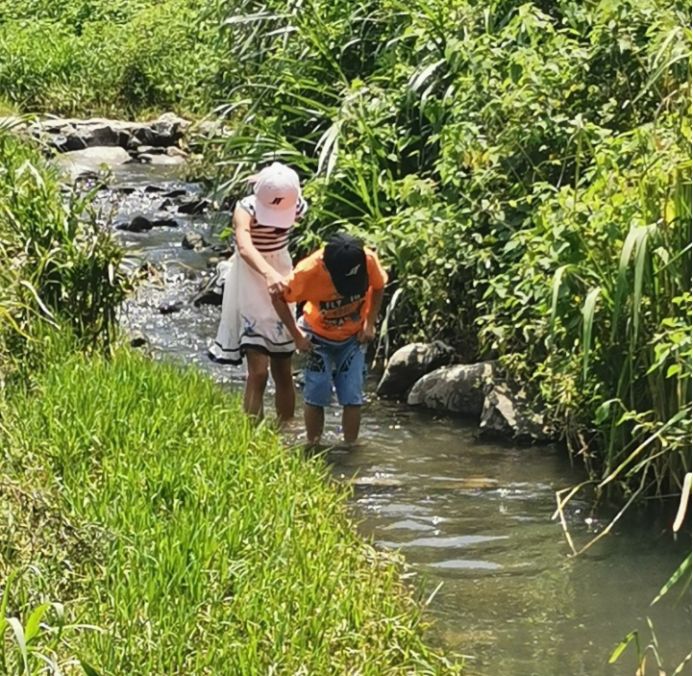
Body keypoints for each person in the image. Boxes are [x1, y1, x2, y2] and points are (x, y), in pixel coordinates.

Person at [208, 162, 307, 422]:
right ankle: (251, 431)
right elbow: (244, 247)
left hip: (282, 271)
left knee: (283, 369)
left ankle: (286, 431)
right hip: (249, 280)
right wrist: (267, 273)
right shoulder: (245, 208)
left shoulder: (296, 205)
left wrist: (276, 274)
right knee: (258, 371)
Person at [271, 233, 387, 445]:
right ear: (326, 268)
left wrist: (370, 323)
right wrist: (296, 335)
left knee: (353, 396)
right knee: (316, 394)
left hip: (353, 338)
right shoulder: (308, 270)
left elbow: (379, 286)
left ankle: (350, 448)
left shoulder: (366, 259)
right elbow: (277, 296)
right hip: (317, 338)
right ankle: (313, 445)